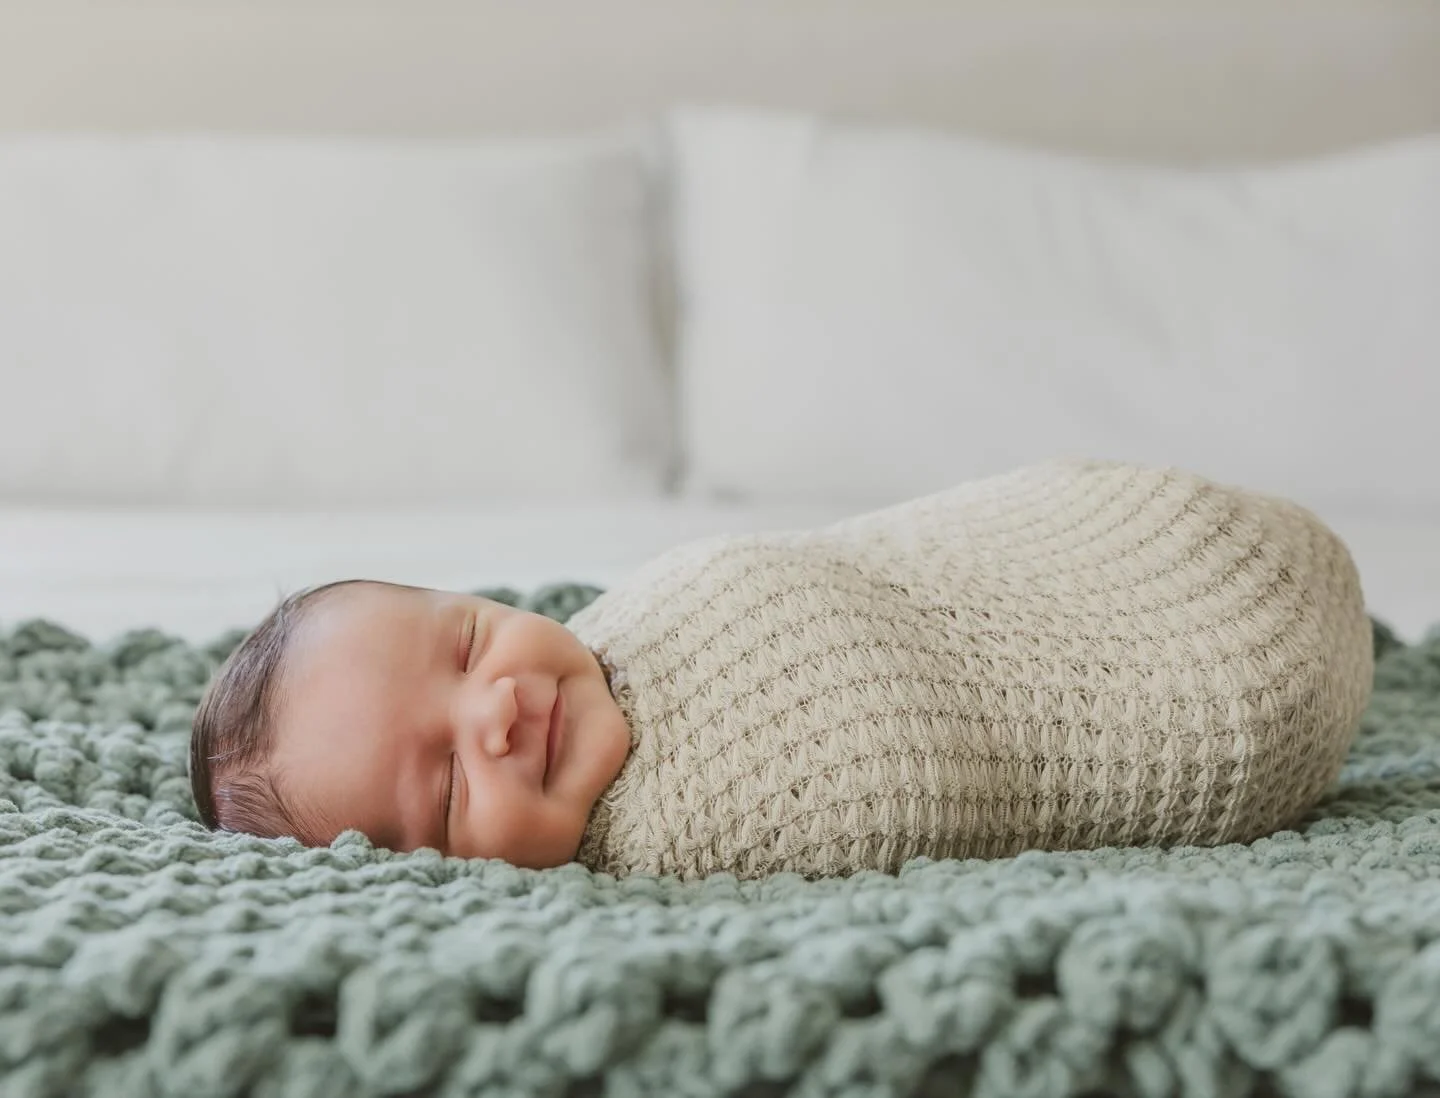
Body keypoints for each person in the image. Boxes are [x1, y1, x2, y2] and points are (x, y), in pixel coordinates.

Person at [190, 459, 1374, 880]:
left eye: (466, 642)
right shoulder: (672, 848)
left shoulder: (621, 627)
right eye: (446, 791)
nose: (495, 710)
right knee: (1235, 675)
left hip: (1132, 535)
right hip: (1225, 677)